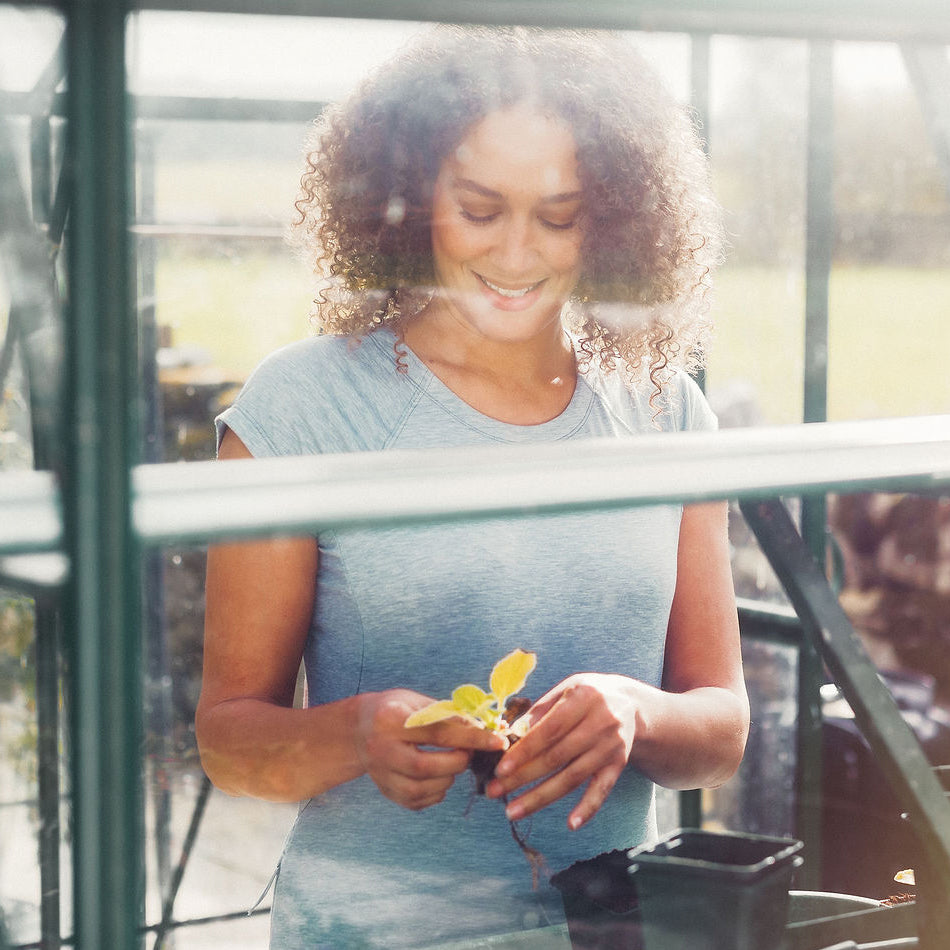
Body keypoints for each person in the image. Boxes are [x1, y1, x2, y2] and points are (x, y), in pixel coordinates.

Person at [197, 24, 750, 949]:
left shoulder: (665, 409)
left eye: (560, 214)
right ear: (413, 201)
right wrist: (357, 734)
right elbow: (228, 739)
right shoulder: (304, 406)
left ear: (612, 217)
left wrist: (635, 712)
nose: (518, 255)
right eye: (481, 209)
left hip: (607, 928)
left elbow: (721, 724)